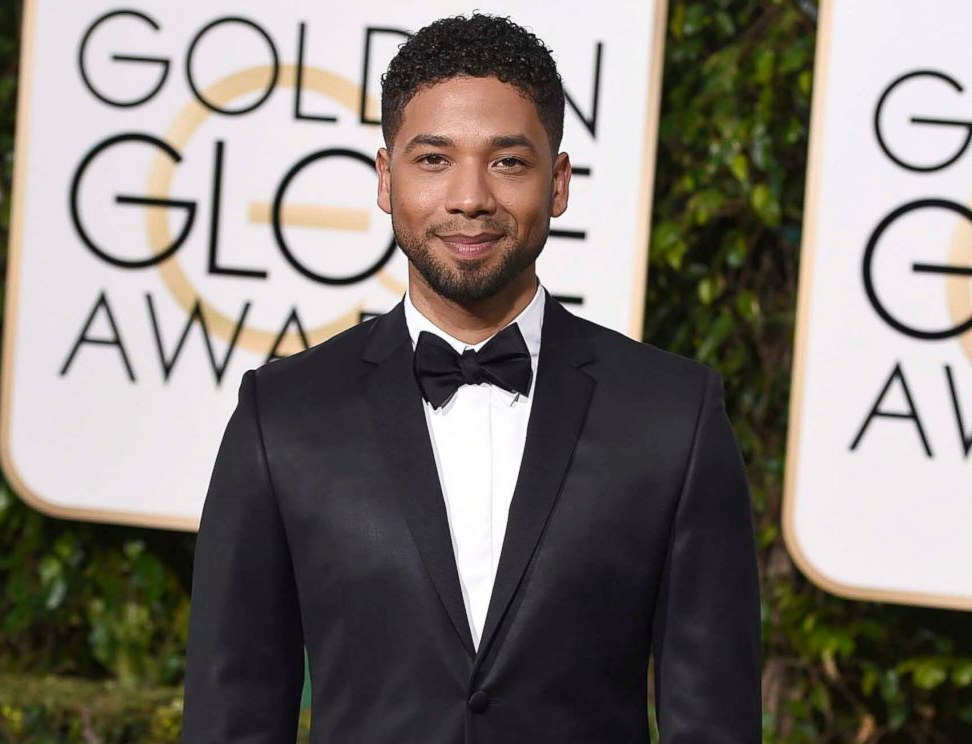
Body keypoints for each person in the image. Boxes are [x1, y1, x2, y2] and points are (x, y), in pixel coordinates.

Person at [180, 12, 761, 744]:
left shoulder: (674, 417)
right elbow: (230, 717)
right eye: (433, 160)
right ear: (386, 180)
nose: (469, 198)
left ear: (559, 183)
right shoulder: (283, 416)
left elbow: (714, 722)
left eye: (508, 162)